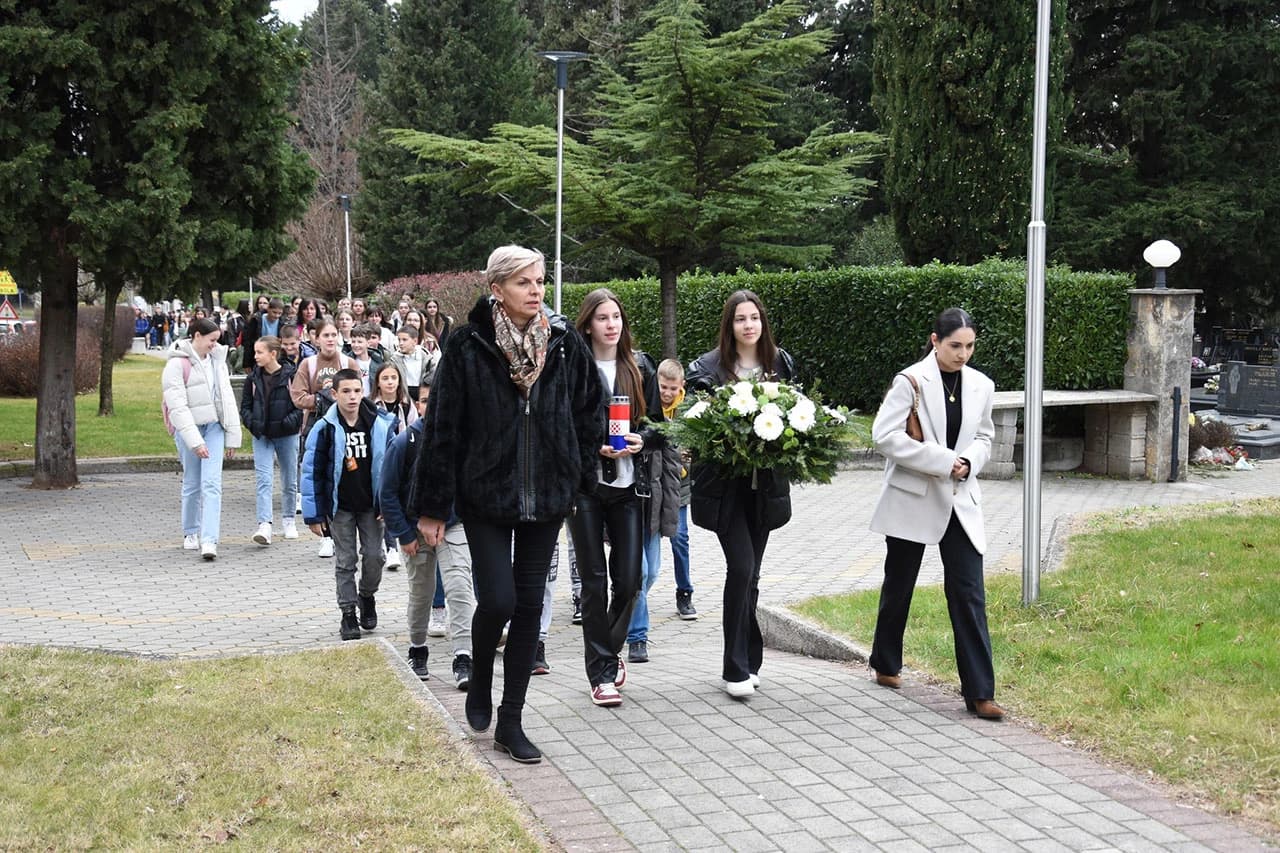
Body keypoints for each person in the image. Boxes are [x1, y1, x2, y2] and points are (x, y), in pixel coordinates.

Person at [409, 244, 603, 765]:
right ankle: (478, 684)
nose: (536, 291)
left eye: (540, 281)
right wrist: (431, 506)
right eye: (523, 282)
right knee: (497, 600)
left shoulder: (563, 342)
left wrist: (576, 470)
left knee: (531, 606)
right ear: (496, 289)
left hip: (547, 495)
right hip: (485, 493)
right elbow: (442, 429)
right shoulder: (468, 345)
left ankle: (511, 720)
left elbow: (590, 411)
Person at [867, 307, 1004, 720]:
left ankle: (981, 692)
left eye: (970, 346)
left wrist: (969, 461)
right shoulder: (909, 381)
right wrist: (944, 460)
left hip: (961, 498)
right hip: (913, 496)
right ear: (935, 341)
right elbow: (883, 437)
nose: (963, 354)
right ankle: (886, 662)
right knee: (900, 585)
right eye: (955, 346)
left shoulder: (982, 385)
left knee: (968, 593)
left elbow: (985, 435)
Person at [687, 290, 796, 699]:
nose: (748, 325)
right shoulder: (708, 368)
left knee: (753, 576)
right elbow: (698, 425)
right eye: (740, 319)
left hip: (764, 488)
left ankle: (750, 660)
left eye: (754, 318)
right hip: (725, 489)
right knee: (742, 567)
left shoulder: (779, 363)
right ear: (728, 325)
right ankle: (733, 668)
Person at [568, 288, 662, 706]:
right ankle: (602, 673)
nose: (612, 325)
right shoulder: (573, 366)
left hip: (629, 487)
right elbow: (560, 427)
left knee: (629, 580)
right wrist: (594, 448)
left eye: (617, 317)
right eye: (603, 318)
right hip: (587, 487)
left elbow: (661, 426)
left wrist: (643, 439)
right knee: (593, 581)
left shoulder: (639, 365)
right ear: (588, 323)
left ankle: (607, 649)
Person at [381, 381, 477, 689]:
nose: (433, 406)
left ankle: (464, 657)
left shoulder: (462, 439)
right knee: (422, 592)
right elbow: (388, 492)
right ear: (417, 405)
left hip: (453, 524)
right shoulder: (405, 442)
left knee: (460, 587)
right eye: (425, 400)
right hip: (413, 529)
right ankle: (417, 648)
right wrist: (404, 534)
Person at [302, 369, 396, 641]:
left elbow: (391, 467)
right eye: (345, 392)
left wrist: (389, 504)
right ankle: (348, 612)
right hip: (340, 507)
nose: (352, 397)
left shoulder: (379, 424)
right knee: (345, 561)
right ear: (334, 394)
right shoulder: (325, 428)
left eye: (357, 391)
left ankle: (367, 595)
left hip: (371, 506)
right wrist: (314, 515)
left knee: (375, 556)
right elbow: (311, 472)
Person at [161, 317, 242, 560]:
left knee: (212, 484)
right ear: (197, 336)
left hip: (215, 427)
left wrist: (232, 437)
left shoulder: (218, 361)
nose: (215, 345)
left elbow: (227, 400)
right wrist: (195, 442)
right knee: (193, 482)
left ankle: (210, 540)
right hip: (189, 430)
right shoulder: (176, 365)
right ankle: (190, 531)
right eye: (212, 340)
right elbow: (178, 407)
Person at [290, 318, 354, 558]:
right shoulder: (308, 364)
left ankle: (343, 535)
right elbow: (297, 396)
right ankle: (327, 536)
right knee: (321, 479)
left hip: (345, 425)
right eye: (325, 335)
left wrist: (340, 398)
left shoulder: (348, 362)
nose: (330, 339)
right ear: (316, 339)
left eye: (333, 335)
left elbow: (359, 391)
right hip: (318, 424)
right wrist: (320, 398)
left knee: (344, 479)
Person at [239, 335, 302, 545]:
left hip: (287, 434)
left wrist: (287, 423)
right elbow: (245, 406)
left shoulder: (291, 374)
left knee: (289, 479)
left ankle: (289, 519)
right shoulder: (253, 378)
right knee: (263, 479)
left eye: (259, 352)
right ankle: (264, 523)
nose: (255, 356)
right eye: (255, 352)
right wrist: (253, 423)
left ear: (273, 354)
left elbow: (299, 406)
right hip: (262, 435)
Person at [656, 359, 697, 620]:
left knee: (679, 538)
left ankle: (685, 592)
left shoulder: (688, 412)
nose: (668, 393)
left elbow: (694, 449)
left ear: (681, 386)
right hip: (651, 483)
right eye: (663, 387)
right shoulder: (648, 404)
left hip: (678, 486)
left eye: (673, 388)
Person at [389, 323, 437, 401]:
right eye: (399, 340)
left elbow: (434, 372)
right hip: (403, 395)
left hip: (422, 394)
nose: (401, 343)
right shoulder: (394, 359)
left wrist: (426, 383)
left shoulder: (426, 357)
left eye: (404, 340)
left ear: (415, 341)